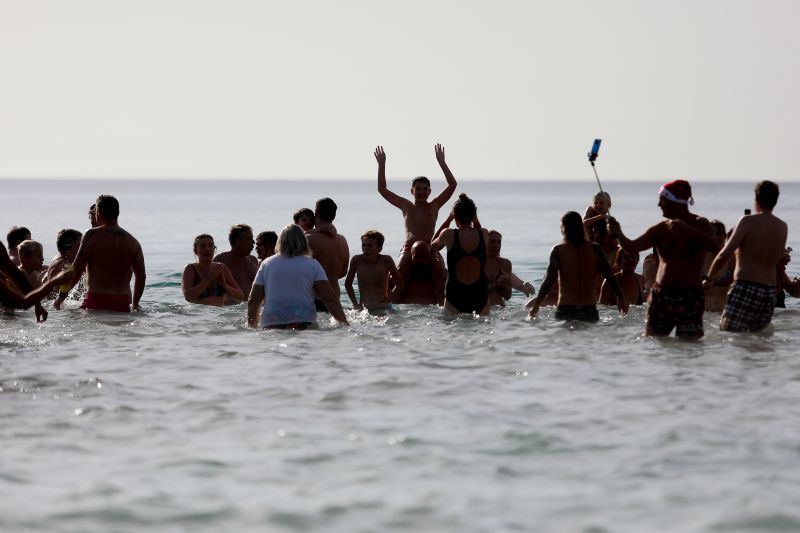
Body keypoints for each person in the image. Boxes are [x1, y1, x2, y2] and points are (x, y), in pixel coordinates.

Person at [609, 179, 719, 338]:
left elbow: (716, 248)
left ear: (675, 202)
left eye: (662, 200)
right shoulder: (660, 229)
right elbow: (632, 247)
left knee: (689, 349)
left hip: (690, 295)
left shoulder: (700, 223)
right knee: (653, 343)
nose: (659, 205)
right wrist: (618, 233)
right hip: (662, 295)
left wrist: (686, 229)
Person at [375, 144, 457, 305]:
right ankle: (390, 308)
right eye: (417, 189)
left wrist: (442, 162)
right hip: (408, 248)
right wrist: (382, 164)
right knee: (399, 276)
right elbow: (382, 189)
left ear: (429, 191)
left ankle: (443, 309)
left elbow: (452, 185)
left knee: (441, 276)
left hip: (430, 248)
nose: (421, 192)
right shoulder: (406, 205)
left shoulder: (434, 205)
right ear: (412, 191)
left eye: (424, 189)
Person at [705, 180, 787, 332]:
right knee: (759, 337)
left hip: (746, 286)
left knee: (730, 333)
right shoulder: (782, 226)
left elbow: (724, 254)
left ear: (756, 198)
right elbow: (776, 257)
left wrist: (709, 279)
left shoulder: (748, 221)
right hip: (769, 291)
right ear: (775, 200)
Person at [528, 211, 627, 321]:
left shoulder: (558, 250)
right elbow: (609, 276)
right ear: (581, 227)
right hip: (589, 309)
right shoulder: (595, 249)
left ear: (564, 228)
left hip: (565, 309)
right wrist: (621, 297)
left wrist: (536, 305)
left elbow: (549, 279)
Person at [54, 195, 146, 312]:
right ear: (118, 213)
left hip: (96, 300)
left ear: (98, 212)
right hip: (123, 302)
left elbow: (76, 271)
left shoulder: (91, 235)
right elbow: (141, 277)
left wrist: (60, 299)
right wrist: (135, 304)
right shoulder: (133, 242)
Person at [248, 224, 348, 329]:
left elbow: (253, 300)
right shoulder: (312, 264)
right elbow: (330, 298)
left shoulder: (266, 264)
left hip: (272, 322)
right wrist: (345, 324)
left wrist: (252, 326)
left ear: (280, 242)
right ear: (303, 242)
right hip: (304, 322)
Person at [431, 194, 490, 315]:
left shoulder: (448, 234)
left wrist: (448, 219)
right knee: (481, 331)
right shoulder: (484, 234)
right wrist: (475, 218)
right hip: (479, 293)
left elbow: (433, 245)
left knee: (453, 331)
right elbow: (482, 240)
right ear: (473, 215)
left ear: (455, 215)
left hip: (455, 293)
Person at [344, 230, 403, 313]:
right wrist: (355, 304)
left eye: (370, 246)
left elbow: (400, 284)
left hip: (383, 307)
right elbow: (347, 284)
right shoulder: (356, 260)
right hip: (364, 308)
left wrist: (387, 302)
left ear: (379, 248)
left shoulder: (386, 260)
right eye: (363, 245)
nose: (365, 248)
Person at [306, 198, 349, 309]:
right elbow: (343, 272)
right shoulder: (342, 241)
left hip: (314, 298)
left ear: (316, 214)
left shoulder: (308, 240)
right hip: (335, 298)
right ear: (333, 216)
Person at [182, 234, 243, 306]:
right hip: (198, 315)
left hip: (218, 315)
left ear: (214, 249)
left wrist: (224, 285)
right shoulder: (190, 269)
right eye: (203, 246)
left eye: (210, 246)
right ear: (196, 251)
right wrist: (208, 279)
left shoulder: (221, 268)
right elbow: (188, 297)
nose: (207, 249)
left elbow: (240, 296)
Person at [0, 241, 48, 321]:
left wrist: (37, 304)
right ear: (25, 259)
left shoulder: (32, 274)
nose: (43, 258)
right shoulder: (22, 274)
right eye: (39, 256)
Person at [484, 230, 534, 307]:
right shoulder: (477, 264)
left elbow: (509, 295)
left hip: (500, 311)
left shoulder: (504, 265)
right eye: (492, 242)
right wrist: (496, 283)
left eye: (498, 242)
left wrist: (526, 286)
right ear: (485, 244)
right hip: (481, 311)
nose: (496, 245)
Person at [213, 224, 258, 304]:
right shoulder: (220, 261)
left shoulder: (253, 260)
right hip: (231, 310)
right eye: (249, 239)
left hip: (251, 307)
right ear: (237, 241)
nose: (253, 242)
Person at [701, 220, 733, 312]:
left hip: (723, 313)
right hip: (704, 314)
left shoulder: (732, 257)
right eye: (713, 234)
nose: (718, 238)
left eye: (720, 234)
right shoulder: (699, 257)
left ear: (725, 237)